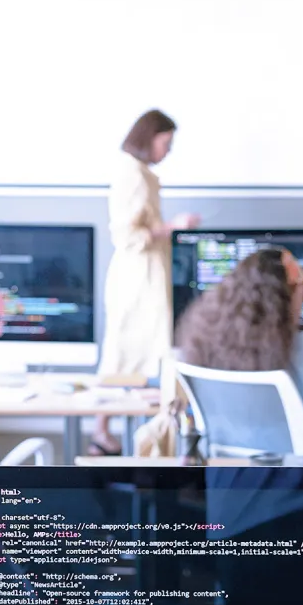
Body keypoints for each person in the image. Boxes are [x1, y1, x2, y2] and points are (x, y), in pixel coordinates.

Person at [175, 247, 303, 456]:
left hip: (229, 479)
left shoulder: (204, 344)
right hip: (298, 481)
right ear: (288, 295)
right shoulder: (300, 352)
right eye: (300, 279)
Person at [92, 109, 200, 454]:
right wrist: (173, 226)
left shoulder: (140, 173)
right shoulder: (132, 174)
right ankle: (102, 430)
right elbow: (126, 235)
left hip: (145, 277)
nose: (167, 151)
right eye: (165, 143)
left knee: (142, 351)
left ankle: (117, 429)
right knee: (124, 352)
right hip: (136, 280)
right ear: (148, 138)